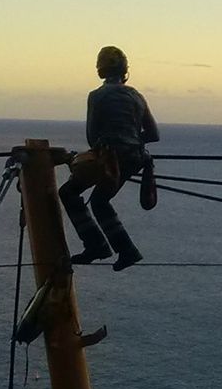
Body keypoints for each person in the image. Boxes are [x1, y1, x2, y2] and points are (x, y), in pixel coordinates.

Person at [61, 46, 159, 270]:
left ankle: (98, 246)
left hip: (110, 157)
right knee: (100, 201)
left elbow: (92, 136)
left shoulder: (97, 96)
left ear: (100, 69)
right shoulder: (137, 96)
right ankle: (125, 251)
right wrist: (131, 140)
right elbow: (153, 134)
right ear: (124, 70)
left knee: (68, 193)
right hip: (135, 157)